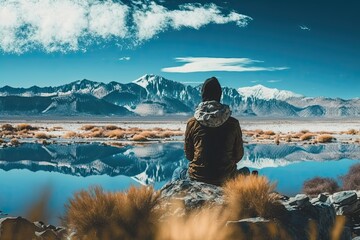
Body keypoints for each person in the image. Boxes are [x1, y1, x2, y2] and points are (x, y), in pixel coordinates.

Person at [184, 77, 248, 186]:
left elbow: (189, 156)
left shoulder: (192, 123)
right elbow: (238, 155)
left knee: (178, 171)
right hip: (226, 178)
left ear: (203, 95)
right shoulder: (233, 123)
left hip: (197, 178)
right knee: (246, 171)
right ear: (219, 95)